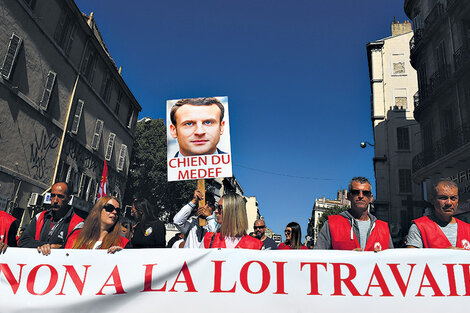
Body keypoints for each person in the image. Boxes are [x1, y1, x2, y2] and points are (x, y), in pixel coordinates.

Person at [314, 177, 393, 251]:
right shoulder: (331, 224)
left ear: (371, 198)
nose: (361, 196)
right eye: (356, 192)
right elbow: (317, 258)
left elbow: (392, 260)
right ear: (348, 196)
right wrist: (348, 258)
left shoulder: (383, 228)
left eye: (365, 193)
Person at [19, 182, 84, 255]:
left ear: (69, 198)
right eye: (52, 196)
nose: (55, 200)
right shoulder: (40, 216)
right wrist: (47, 245)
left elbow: (72, 250)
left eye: (60, 196)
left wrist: (54, 247)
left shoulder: (78, 224)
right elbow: (23, 241)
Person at [406, 178, 470, 249]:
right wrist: (442, 255)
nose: (449, 203)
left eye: (453, 198)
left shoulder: (468, 229)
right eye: (443, 198)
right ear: (432, 200)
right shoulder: (419, 227)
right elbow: (412, 258)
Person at [65, 196, 130, 253]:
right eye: (109, 208)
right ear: (99, 210)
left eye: (117, 210)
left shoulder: (123, 243)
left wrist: (123, 255)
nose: (114, 212)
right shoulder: (76, 235)